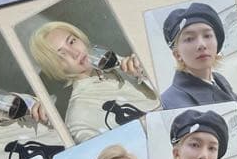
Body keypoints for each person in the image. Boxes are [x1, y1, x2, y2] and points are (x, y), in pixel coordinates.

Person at [29, 21, 158, 143]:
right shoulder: (77, 116)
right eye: (62, 54)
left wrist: (148, 71)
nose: (75, 53)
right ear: (55, 67)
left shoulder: (118, 62)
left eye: (72, 41)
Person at [157, 1, 237, 133]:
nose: (201, 45)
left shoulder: (218, 79)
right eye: (189, 39)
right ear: (177, 54)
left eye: (207, 35)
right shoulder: (170, 102)